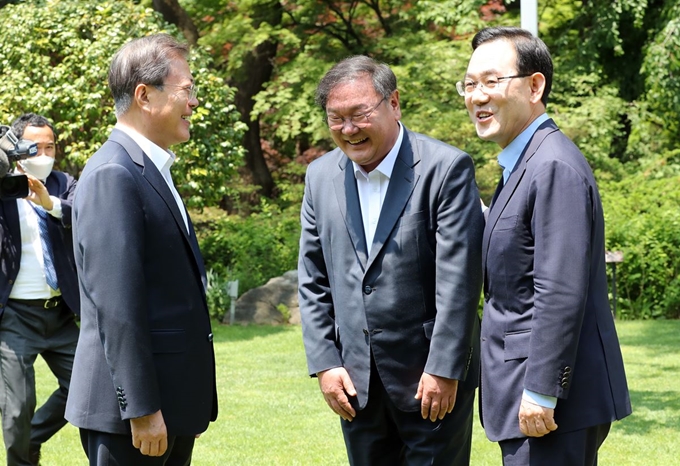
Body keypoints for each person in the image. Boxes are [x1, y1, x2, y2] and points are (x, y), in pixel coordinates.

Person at [298, 55, 484, 465]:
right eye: (335, 118)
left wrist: (444, 368)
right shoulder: (319, 177)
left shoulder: (445, 169)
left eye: (359, 114)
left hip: (430, 384)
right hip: (354, 385)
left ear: (393, 103)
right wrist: (326, 363)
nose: (348, 130)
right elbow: (313, 280)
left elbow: (460, 281)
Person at [459, 26, 632, 465]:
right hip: (525, 393)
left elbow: (560, 290)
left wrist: (541, 391)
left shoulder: (551, 165)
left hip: (547, 406)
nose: (478, 96)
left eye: (492, 81)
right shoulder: (523, 163)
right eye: (470, 84)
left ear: (535, 85)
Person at [64, 33, 217, 466]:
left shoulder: (151, 166)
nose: (194, 102)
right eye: (187, 90)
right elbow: (116, 305)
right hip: (132, 418)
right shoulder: (115, 172)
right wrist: (142, 409)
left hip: (169, 404)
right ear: (145, 96)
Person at [0, 113, 80, 466]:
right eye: (35, 147)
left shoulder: (65, 183)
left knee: (87, 387)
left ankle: (32, 438)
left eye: (50, 146)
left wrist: (49, 203)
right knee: (16, 408)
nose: (43, 154)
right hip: (16, 316)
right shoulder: (3, 186)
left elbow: (85, 215)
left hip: (60, 312)